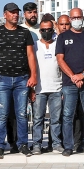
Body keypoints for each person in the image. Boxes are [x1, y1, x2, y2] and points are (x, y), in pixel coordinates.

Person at [0, 2, 37, 157]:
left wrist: (33, 75)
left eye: (17, 12)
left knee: (21, 114)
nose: (15, 15)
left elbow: (30, 55)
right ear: (5, 14)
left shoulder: (24, 33)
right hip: (2, 79)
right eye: (12, 12)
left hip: (22, 79)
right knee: (2, 113)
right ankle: (0, 145)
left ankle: (22, 144)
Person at [57, 5, 84, 156]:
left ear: (83, 18)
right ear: (70, 19)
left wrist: (82, 75)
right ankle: (68, 146)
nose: (76, 20)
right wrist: (73, 77)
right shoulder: (62, 37)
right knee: (68, 115)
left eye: (79, 17)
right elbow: (60, 60)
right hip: (69, 83)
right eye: (74, 18)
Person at [31, 15, 62, 154]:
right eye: (43, 30)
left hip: (57, 87)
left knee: (56, 119)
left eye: (49, 29)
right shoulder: (34, 46)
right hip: (39, 88)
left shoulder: (58, 43)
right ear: (40, 31)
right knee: (38, 119)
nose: (46, 32)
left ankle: (56, 144)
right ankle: (37, 144)